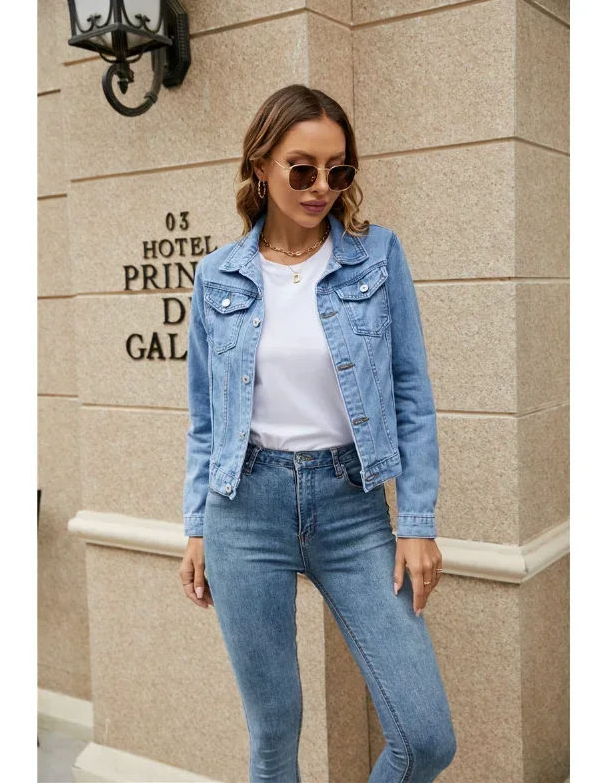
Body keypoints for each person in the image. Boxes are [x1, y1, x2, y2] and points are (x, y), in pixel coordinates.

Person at [179, 84, 457, 782]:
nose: (321, 188)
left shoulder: (377, 256)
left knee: (425, 737)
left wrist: (416, 521)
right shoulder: (218, 275)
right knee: (274, 738)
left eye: (339, 170)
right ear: (261, 165)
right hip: (243, 508)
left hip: (350, 505)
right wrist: (197, 527)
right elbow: (207, 418)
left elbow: (411, 392)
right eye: (302, 170)